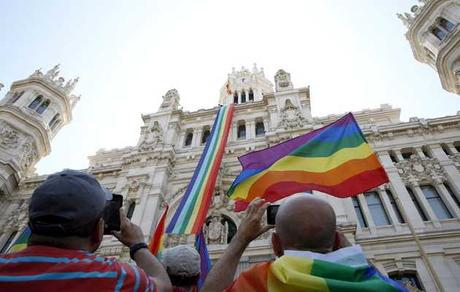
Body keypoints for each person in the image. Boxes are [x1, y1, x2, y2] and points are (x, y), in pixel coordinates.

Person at [0, 169, 171, 292]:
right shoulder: (113, 277)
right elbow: (163, 285)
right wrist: (138, 245)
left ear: (30, 222)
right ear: (99, 231)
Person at [202, 195, 405, 291]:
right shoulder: (375, 286)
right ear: (337, 239)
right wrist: (353, 256)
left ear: (276, 244)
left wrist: (240, 239)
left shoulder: (263, 280)